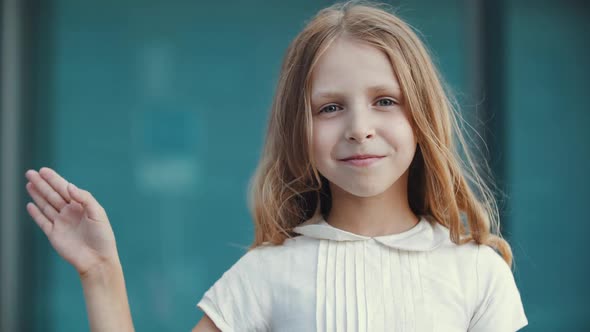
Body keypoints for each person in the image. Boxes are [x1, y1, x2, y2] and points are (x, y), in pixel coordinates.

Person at [24, 1, 528, 331]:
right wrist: (101, 273)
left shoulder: (478, 274)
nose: (358, 126)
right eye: (330, 107)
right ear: (297, 133)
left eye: (385, 101)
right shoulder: (263, 277)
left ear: (422, 116)